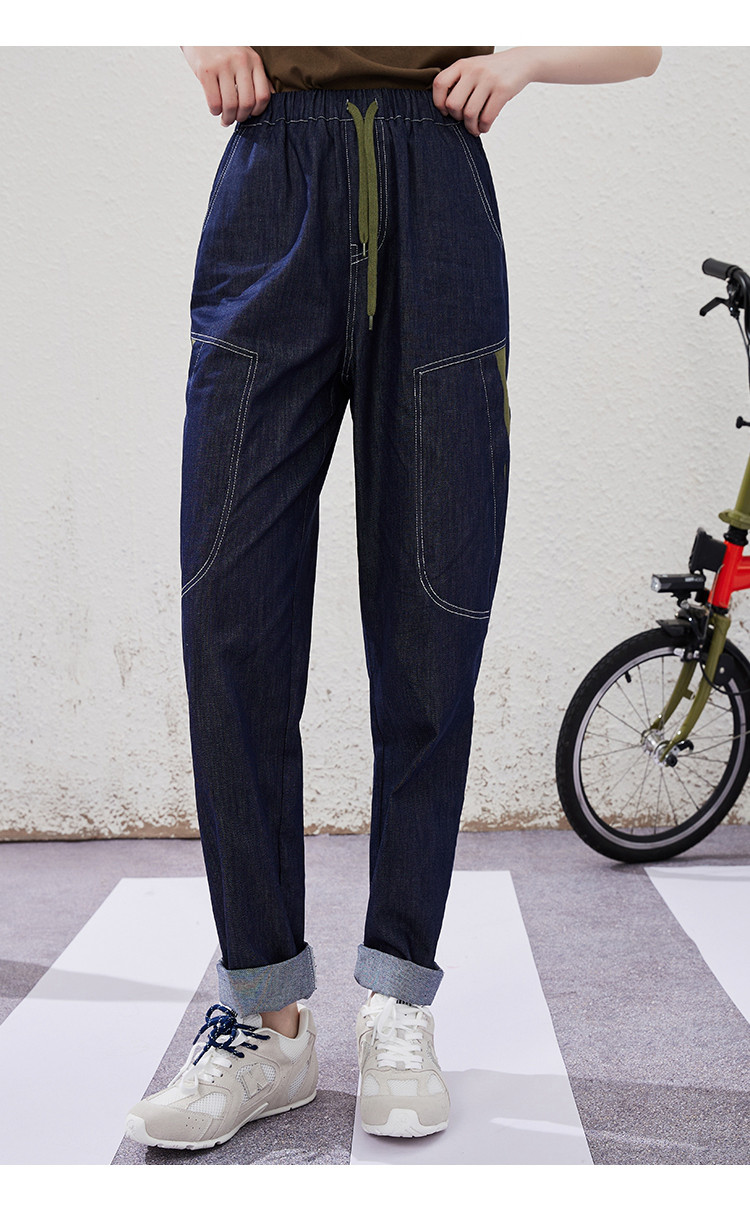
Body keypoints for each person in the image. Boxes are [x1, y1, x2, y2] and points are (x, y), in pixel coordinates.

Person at [124, 44, 662, 1153]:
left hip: (438, 189)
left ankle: (399, 999)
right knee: (229, 620)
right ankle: (266, 1020)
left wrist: (524, 58)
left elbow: (648, 39)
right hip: (273, 182)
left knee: (431, 625)